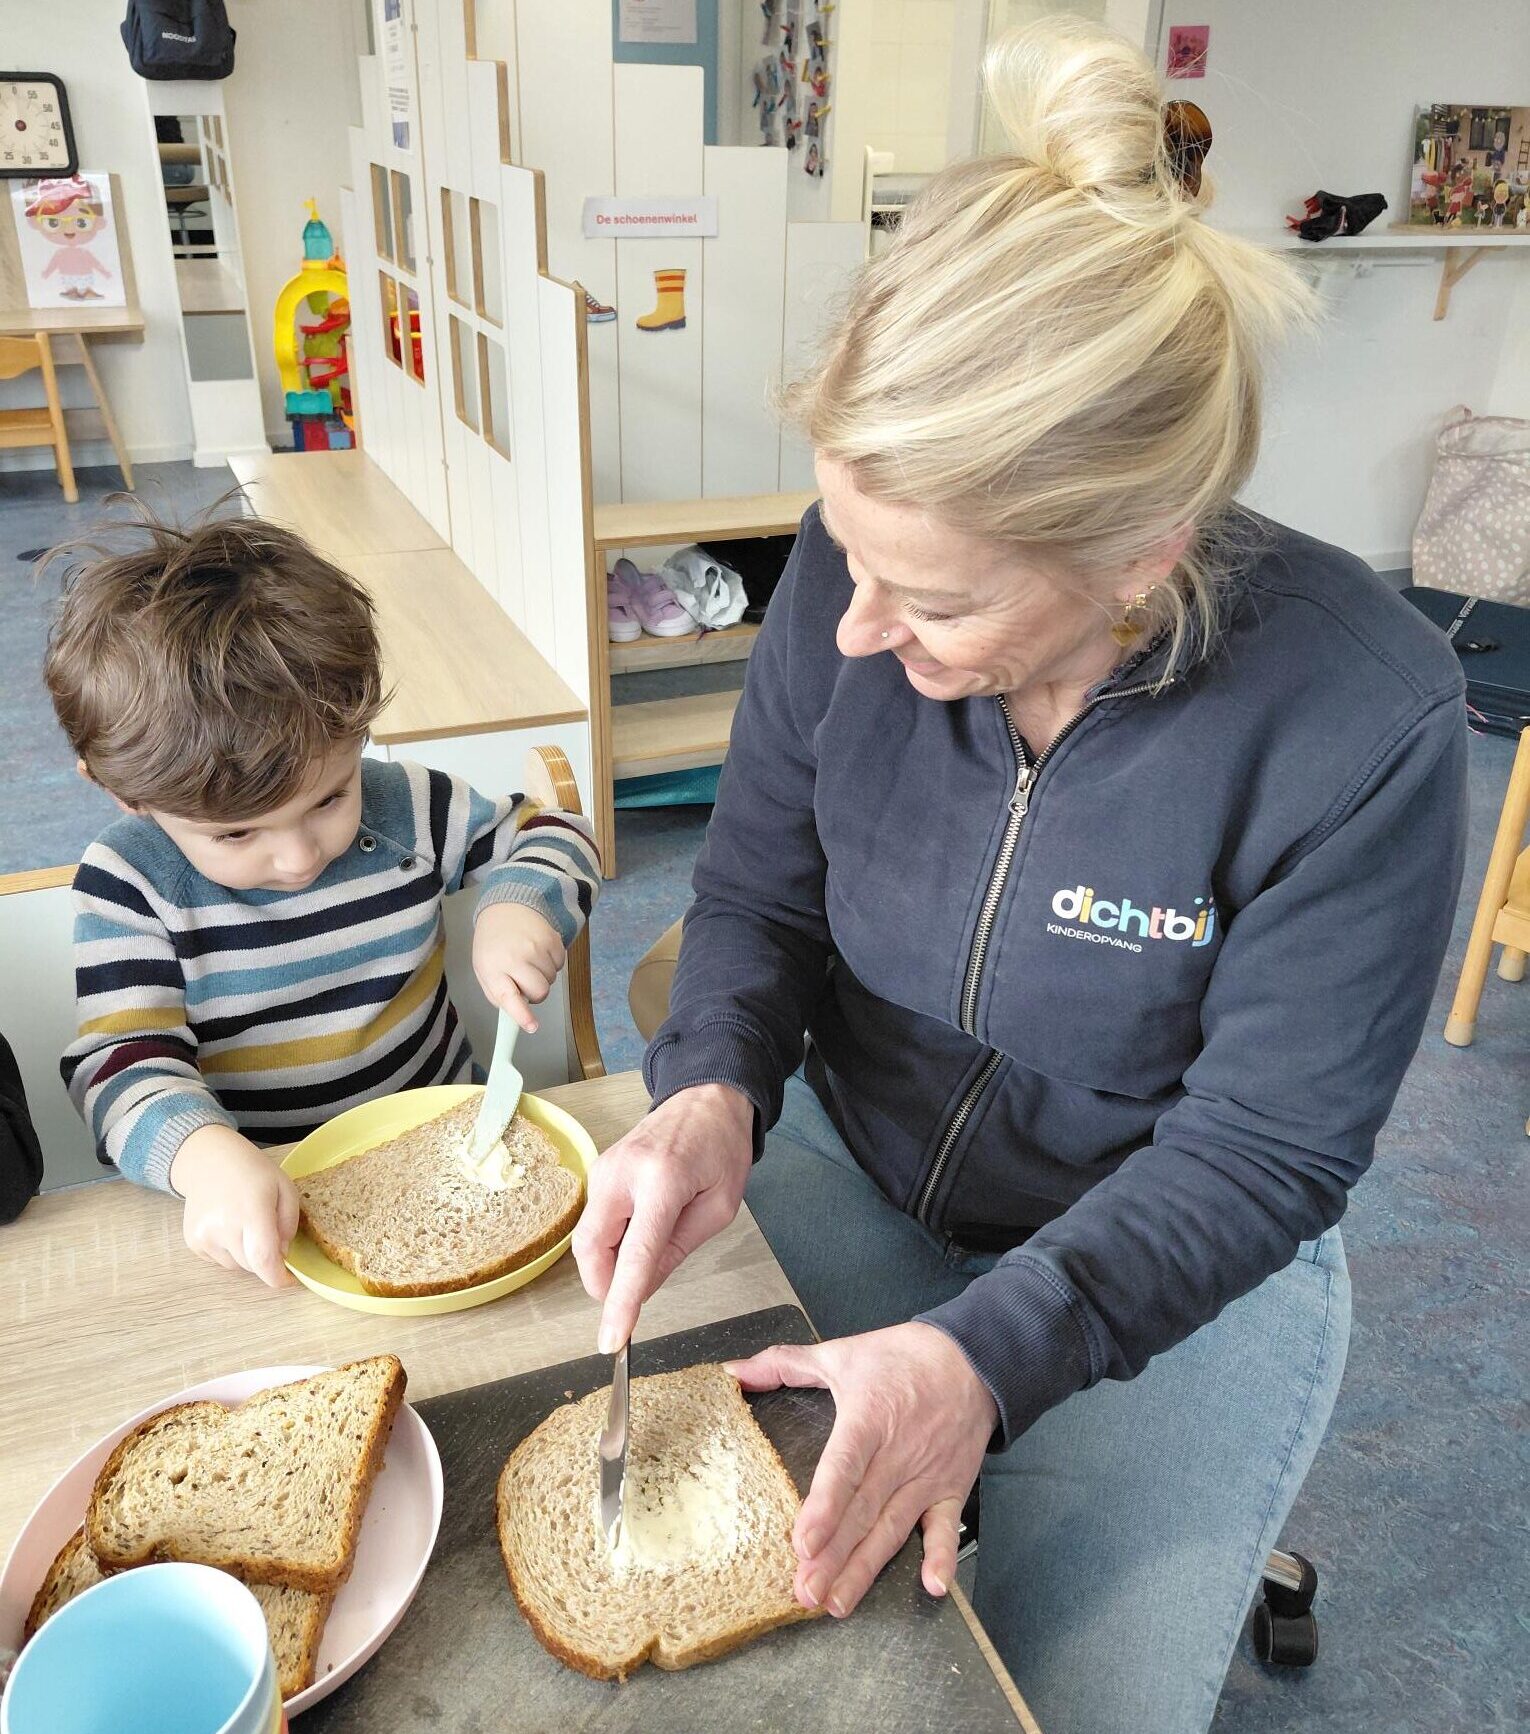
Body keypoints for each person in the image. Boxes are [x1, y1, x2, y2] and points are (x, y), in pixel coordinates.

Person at [573, 18, 1466, 1734]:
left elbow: (1267, 1144)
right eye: (848, 552)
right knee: (751, 1645)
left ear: (1147, 548)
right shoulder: (863, 573)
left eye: (938, 601)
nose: (848, 629)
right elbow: (755, 891)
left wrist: (990, 1349)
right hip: (855, 1151)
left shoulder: (1365, 722)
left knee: (1048, 1694)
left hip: (1168, 1251)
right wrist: (714, 1092)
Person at [44, 510, 599, 1287]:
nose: (301, 856)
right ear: (124, 795)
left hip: (456, 1143)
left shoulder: (404, 804)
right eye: (238, 836)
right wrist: (204, 1159)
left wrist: (519, 903)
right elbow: (122, 1063)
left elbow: (557, 832)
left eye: (330, 799)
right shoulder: (130, 883)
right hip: (267, 1194)